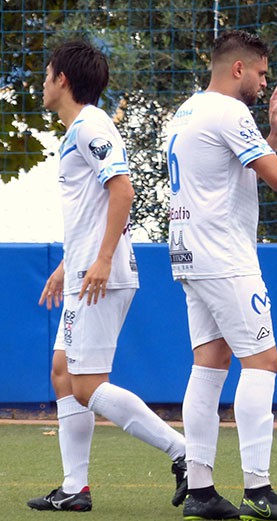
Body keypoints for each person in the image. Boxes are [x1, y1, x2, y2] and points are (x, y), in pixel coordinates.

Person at [166, 30, 277, 521]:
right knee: (264, 361)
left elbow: (223, 172)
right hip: (226, 256)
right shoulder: (228, 110)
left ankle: (200, 490)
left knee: (209, 364)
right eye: (261, 72)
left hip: (190, 253)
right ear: (237, 68)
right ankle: (258, 491)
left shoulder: (189, 109)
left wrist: (274, 140)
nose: (265, 82)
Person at [27, 40, 187, 512]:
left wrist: (99, 260)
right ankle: (75, 488)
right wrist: (65, 265)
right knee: (63, 373)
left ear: (62, 80)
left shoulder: (92, 125)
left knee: (87, 385)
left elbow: (123, 189)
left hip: (100, 275)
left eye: (47, 72)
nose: (42, 81)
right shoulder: (78, 129)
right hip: (83, 272)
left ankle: (185, 454)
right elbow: (94, 208)